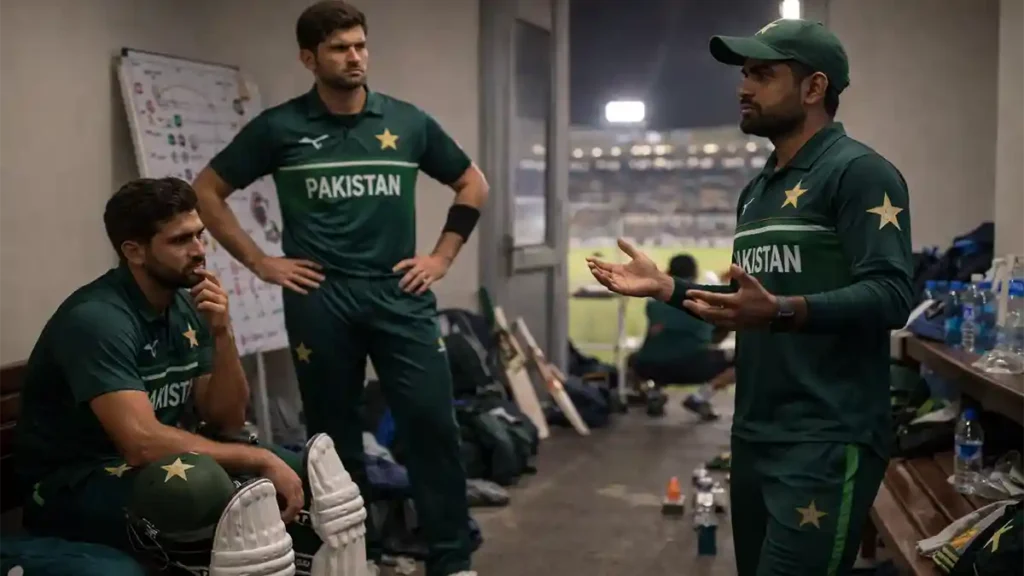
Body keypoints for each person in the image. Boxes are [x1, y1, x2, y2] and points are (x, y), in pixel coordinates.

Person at [588, 18, 913, 576]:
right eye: (743, 73)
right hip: (755, 432)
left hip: (826, 439)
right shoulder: (758, 190)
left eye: (762, 74)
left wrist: (784, 312)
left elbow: (892, 293)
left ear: (814, 88)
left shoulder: (860, 173)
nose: (743, 87)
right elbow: (751, 304)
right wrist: (669, 288)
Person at [191, 2, 488, 575]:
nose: (354, 57)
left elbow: (472, 182)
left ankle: (452, 560)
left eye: (360, 45)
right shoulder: (280, 128)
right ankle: (360, 557)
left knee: (432, 425)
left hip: (398, 294)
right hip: (320, 299)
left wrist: (442, 256)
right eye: (339, 48)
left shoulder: (406, 122)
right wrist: (259, 262)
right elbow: (206, 190)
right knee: (333, 441)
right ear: (309, 58)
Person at [14, 178, 367, 575]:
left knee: (306, 476)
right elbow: (142, 444)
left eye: (200, 235)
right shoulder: (97, 319)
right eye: (181, 241)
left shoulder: (186, 303)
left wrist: (222, 332)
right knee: (210, 491)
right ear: (134, 251)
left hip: (154, 470)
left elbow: (226, 419)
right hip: (70, 485)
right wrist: (257, 458)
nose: (200, 251)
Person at [626, 253, 734, 420]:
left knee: (636, 357)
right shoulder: (704, 300)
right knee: (744, 360)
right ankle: (699, 398)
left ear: (668, 272)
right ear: (696, 274)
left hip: (648, 365)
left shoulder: (653, 302)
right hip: (690, 367)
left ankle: (652, 394)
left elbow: (657, 334)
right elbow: (718, 334)